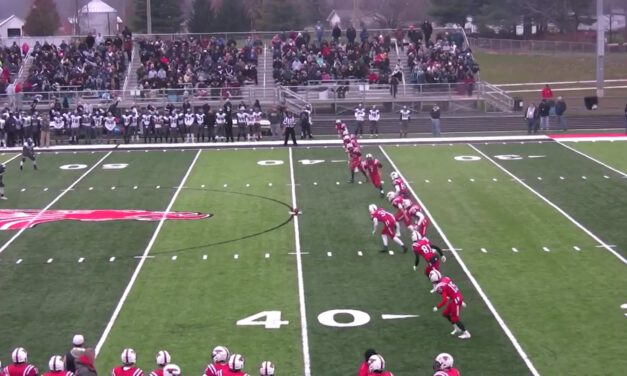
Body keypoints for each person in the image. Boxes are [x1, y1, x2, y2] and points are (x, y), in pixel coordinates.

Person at [430, 271, 471, 339]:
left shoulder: (440, 287)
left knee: (455, 319)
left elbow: (445, 300)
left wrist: (437, 307)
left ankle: (466, 333)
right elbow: (452, 289)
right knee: (445, 313)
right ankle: (457, 328)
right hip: (455, 297)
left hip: (456, 300)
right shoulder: (446, 278)